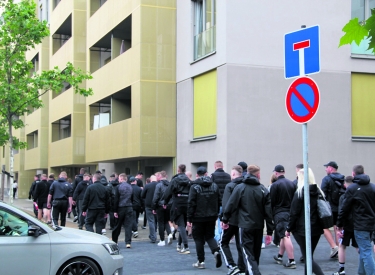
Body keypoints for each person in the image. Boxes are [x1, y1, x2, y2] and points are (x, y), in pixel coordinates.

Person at [222, 165, 274, 275]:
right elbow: (268, 213)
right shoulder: (263, 189)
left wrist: (225, 220)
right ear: (258, 175)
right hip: (258, 227)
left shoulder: (240, 188)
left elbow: (231, 205)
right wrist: (269, 231)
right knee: (255, 255)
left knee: (248, 254)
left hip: (245, 226)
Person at [337, 165, 375, 275]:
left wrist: (339, 224)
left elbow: (344, 208)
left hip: (360, 224)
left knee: (366, 251)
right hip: (371, 224)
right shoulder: (372, 187)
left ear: (353, 174)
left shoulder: (352, 189)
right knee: (364, 249)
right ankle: (361, 272)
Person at [286, 168, 325, 275]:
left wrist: (288, 228)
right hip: (317, 228)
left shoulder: (300, 192)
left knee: (307, 257)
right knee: (309, 256)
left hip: (302, 229)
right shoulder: (318, 191)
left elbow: (294, 213)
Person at [188, 166, 222, 269]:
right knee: (210, 236)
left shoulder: (194, 187)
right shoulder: (214, 186)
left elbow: (191, 203)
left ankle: (201, 261)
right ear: (207, 173)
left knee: (198, 239)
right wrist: (216, 213)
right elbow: (219, 201)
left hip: (198, 216)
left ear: (197, 175)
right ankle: (215, 250)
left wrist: (189, 218)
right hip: (211, 216)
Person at [219, 165, 245, 275]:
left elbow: (226, 204)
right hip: (243, 219)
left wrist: (224, 219)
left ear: (233, 174)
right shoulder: (246, 185)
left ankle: (231, 265)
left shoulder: (230, 186)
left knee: (223, 242)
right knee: (240, 244)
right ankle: (242, 267)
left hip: (231, 219)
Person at [270, 165, 296, 269]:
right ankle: (280, 256)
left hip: (280, 213)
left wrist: (270, 216)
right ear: (284, 172)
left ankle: (291, 260)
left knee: (285, 236)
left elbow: (271, 202)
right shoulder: (292, 184)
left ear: (276, 173)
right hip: (290, 212)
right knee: (284, 235)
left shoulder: (275, 185)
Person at [333, 176, 358, 275]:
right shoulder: (358, 195)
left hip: (346, 225)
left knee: (342, 246)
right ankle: (366, 265)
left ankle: (341, 269)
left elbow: (341, 212)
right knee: (359, 247)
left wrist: (339, 226)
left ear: (345, 185)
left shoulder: (343, 197)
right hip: (357, 224)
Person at [164, 164, 191, 254]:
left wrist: (165, 202)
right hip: (187, 202)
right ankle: (179, 245)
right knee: (182, 223)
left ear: (178, 170)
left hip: (178, 202)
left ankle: (186, 246)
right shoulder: (189, 180)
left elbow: (168, 191)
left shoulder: (175, 180)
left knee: (181, 225)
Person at [321, 161, 345, 258]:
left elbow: (323, 194)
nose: (326, 169)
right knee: (338, 227)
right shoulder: (343, 178)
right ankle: (339, 248)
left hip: (329, 207)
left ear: (331, 168)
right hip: (340, 207)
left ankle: (334, 247)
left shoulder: (326, 179)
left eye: (326, 167)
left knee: (323, 226)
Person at [211, 160, 231, 241]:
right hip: (226, 201)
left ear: (215, 167)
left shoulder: (213, 176)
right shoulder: (228, 176)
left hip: (217, 202)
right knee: (224, 219)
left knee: (217, 220)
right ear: (222, 167)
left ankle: (218, 237)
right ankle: (223, 235)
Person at [112, 173, 134, 248]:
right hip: (129, 207)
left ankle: (115, 241)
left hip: (120, 207)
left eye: (118, 178)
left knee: (117, 225)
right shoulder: (130, 187)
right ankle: (128, 242)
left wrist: (115, 211)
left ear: (121, 179)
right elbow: (132, 198)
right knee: (128, 226)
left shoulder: (118, 187)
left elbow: (116, 199)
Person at [152, 171, 173, 246]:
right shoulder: (170, 184)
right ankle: (170, 234)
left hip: (160, 205)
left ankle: (162, 240)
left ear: (160, 176)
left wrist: (153, 207)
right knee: (166, 221)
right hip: (169, 205)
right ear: (166, 176)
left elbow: (156, 197)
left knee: (160, 222)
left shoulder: (159, 185)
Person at [141, 175, 158, 243]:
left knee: (151, 221)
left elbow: (142, 195)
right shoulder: (159, 185)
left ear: (150, 179)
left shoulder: (148, 186)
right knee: (155, 220)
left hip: (148, 205)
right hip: (157, 205)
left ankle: (153, 236)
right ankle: (154, 234)